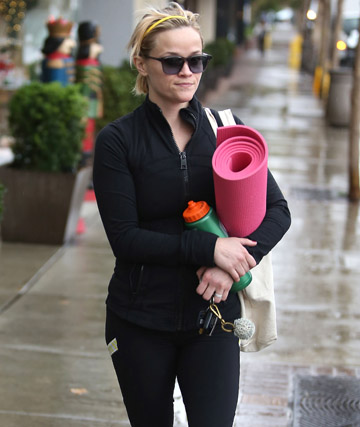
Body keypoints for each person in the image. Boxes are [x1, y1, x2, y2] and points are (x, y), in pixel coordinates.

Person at [93, 3, 291, 427]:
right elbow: (126, 238)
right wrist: (211, 247)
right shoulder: (118, 141)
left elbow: (276, 211)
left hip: (215, 318)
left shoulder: (225, 130)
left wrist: (231, 264)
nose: (188, 72)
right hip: (139, 320)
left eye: (197, 60)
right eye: (172, 61)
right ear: (141, 64)